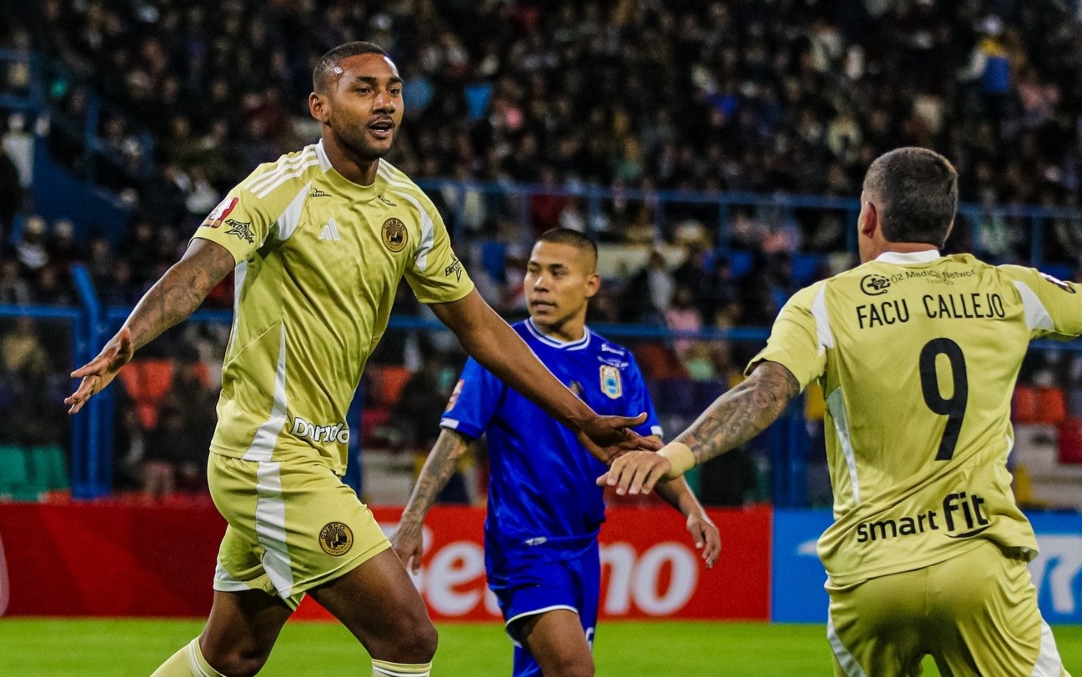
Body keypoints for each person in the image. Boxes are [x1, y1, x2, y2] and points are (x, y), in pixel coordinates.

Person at [64, 42, 658, 677]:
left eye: (393, 90)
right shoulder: (279, 188)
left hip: (318, 453)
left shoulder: (410, 209)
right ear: (320, 107)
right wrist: (131, 336)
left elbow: (481, 327)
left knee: (232, 654)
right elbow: (196, 272)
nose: (385, 104)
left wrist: (580, 417)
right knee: (409, 637)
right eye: (364, 89)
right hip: (266, 456)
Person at [600, 147, 1082, 677]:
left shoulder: (822, 305)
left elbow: (764, 393)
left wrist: (676, 454)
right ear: (947, 224)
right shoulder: (1006, 289)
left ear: (868, 216)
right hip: (976, 565)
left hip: (870, 574)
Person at [392, 228, 721, 677]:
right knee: (573, 669)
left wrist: (691, 508)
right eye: (533, 271)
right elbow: (455, 439)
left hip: (582, 547)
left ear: (591, 285)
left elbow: (650, 454)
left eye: (556, 273)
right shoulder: (501, 351)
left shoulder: (617, 362)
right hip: (523, 543)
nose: (540, 284)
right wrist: (412, 521)